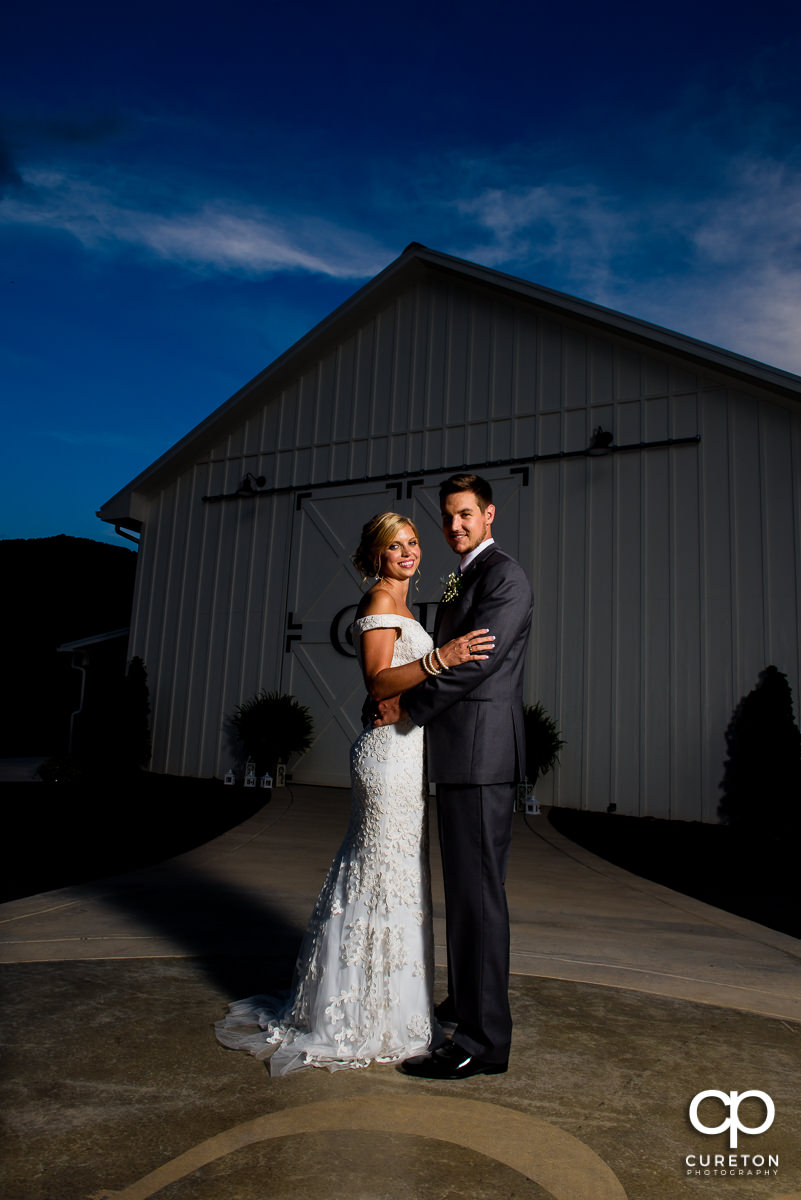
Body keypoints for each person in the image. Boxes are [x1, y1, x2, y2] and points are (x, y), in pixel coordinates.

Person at [214, 511, 494, 1074]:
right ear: (377, 555)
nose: (409, 553)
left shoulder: (404, 604)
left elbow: (403, 681)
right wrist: (445, 656)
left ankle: (396, 1008)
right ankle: (360, 1016)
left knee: (398, 875)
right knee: (378, 873)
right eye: (396, 547)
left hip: (406, 750)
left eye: (413, 543)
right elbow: (377, 682)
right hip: (387, 757)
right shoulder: (379, 603)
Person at [375, 474, 533, 1080]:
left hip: (481, 753)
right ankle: (468, 1001)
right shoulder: (464, 575)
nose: (456, 526)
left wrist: (409, 706)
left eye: (466, 514)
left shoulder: (504, 577)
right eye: (448, 517)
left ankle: (484, 1041)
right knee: (467, 892)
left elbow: (481, 660)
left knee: (479, 897)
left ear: (489, 515)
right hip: (461, 752)